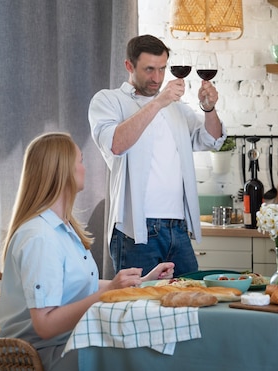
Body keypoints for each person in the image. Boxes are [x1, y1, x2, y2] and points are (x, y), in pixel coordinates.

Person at [0, 132, 175, 371]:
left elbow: (81, 285)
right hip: (41, 357)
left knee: (153, 350)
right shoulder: (39, 237)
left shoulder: (62, 229)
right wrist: (108, 291)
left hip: (67, 343)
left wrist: (142, 282)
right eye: (79, 161)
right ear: (61, 171)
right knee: (146, 362)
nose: (84, 167)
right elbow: (45, 326)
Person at [88, 34, 227, 277]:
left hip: (178, 229)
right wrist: (158, 102)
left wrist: (209, 109)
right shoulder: (108, 100)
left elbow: (211, 139)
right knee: (139, 307)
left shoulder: (176, 108)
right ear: (129, 66)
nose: (157, 78)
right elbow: (116, 144)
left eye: (162, 69)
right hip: (136, 231)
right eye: (149, 69)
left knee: (188, 304)